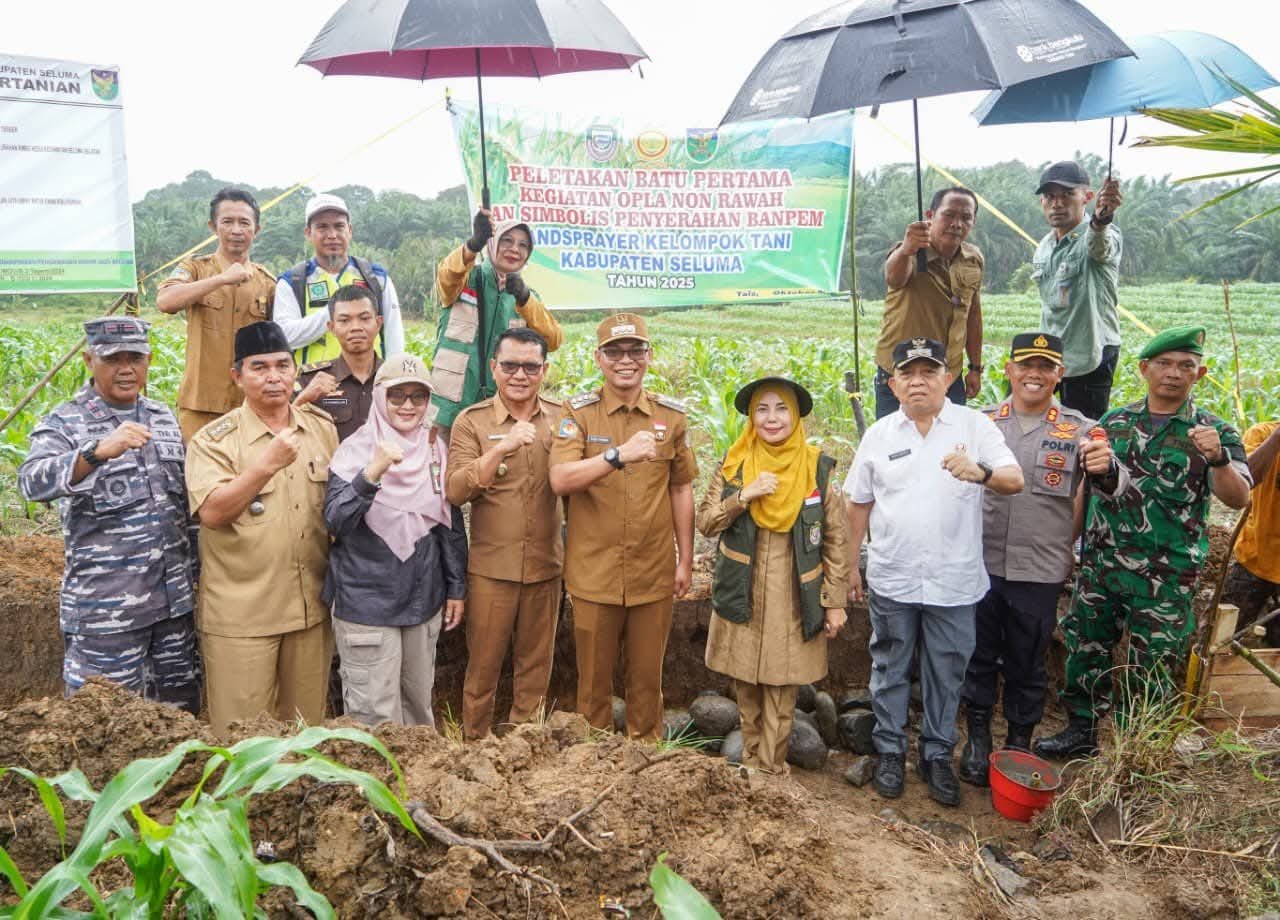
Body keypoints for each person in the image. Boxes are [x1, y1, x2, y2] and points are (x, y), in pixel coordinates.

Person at [1036, 326, 1252, 759]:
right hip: (1103, 565)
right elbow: (1085, 491)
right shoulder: (1113, 424)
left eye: (1185, 366)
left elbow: (1239, 496)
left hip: (1166, 575)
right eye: (1164, 364)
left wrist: (1218, 459)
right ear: (1144, 370)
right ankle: (1082, 730)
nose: (1173, 373)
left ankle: (1136, 748)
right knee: (1086, 648)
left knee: (1153, 661)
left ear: (1199, 374)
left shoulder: (1215, 432)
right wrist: (1065, 547)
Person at [845, 337, 1023, 806]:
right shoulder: (879, 434)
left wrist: (980, 472)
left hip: (954, 581)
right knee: (890, 666)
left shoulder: (975, 426)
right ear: (893, 384)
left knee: (946, 672)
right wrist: (847, 567)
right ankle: (889, 751)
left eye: (929, 372)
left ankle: (937, 754)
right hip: (894, 576)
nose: (918, 381)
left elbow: (1015, 480)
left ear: (948, 378)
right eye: (908, 373)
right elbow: (858, 504)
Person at [958, 333, 1127, 785]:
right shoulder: (979, 424)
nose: (1034, 374)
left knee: (1027, 660)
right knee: (978, 654)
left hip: (1040, 568)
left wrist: (1107, 467)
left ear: (1059, 374)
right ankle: (978, 739)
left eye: (1045, 367)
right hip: (980, 563)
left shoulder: (1082, 429)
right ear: (1009, 370)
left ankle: (1018, 741)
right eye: (1026, 365)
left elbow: (1114, 485)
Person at [18, 317, 200, 713]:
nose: (126, 368)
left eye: (135, 357)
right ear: (89, 360)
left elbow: (185, 510)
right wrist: (94, 452)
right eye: (113, 358)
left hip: (173, 610)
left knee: (179, 719)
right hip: (107, 616)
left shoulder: (162, 418)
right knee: (103, 722)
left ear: (149, 360)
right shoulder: (66, 421)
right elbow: (31, 482)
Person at [185, 321, 339, 736]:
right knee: (243, 739)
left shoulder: (321, 428)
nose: (274, 377)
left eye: (282, 365)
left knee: (305, 734)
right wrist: (266, 465)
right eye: (260, 367)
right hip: (243, 619)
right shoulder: (213, 442)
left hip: (309, 613)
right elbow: (213, 512)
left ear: (294, 372)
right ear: (237, 376)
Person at [549, 313, 697, 741]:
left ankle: (645, 760)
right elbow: (561, 479)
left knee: (647, 681)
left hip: (653, 572)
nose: (625, 360)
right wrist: (617, 456)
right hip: (595, 574)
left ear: (649, 356)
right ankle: (592, 761)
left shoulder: (671, 418)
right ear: (599, 358)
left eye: (635, 350)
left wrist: (685, 559)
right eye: (614, 352)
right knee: (593, 685)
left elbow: (681, 488)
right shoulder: (578, 413)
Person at [697, 377, 850, 773]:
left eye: (781, 408)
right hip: (743, 587)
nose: (772, 418)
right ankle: (750, 763)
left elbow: (836, 539)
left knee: (783, 685)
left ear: (796, 415)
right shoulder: (735, 463)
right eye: (762, 409)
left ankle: (771, 768)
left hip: (794, 593)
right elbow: (706, 522)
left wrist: (834, 602)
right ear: (751, 417)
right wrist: (742, 497)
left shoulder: (817, 467)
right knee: (745, 679)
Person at [324, 354, 467, 727]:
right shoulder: (355, 450)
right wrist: (372, 472)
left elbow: (448, 524)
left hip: (422, 600)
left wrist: (456, 587)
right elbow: (336, 520)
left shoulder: (434, 449)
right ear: (380, 397)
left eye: (418, 396)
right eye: (397, 395)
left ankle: (421, 770)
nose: (408, 405)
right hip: (367, 603)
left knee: (418, 709)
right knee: (375, 715)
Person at [446, 328, 564, 739]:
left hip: (546, 567)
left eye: (530, 367)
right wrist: (501, 448)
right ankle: (475, 745)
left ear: (544, 370)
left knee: (536, 668)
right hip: (491, 571)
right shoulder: (472, 421)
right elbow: (455, 490)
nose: (520, 375)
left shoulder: (562, 418)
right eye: (510, 365)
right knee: (483, 668)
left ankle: (524, 744)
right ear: (494, 368)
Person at [156, 187, 277, 443]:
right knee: (198, 468)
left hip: (251, 405)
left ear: (256, 230)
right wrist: (222, 279)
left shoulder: (267, 283)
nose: (236, 230)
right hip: (200, 405)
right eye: (227, 222)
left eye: (244, 223)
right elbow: (165, 301)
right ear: (213, 226)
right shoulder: (195, 268)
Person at [428, 209, 564, 432]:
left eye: (523, 245)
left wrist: (524, 297)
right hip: (447, 409)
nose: (514, 249)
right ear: (491, 243)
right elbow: (447, 274)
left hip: (498, 412)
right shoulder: (465, 278)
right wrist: (473, 244)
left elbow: (553, 340)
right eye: (507, 240)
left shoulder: (528, 298)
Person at [874, 187, 984, 419]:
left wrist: (975, 367)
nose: (957, 224)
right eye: (949, 215)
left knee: (951, 439)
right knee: (896, 440)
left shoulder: (973, 259)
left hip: (949, 374)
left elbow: (973, 315)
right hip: (902, 373)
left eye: (966, 217)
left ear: (973, 222)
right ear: (930, 215)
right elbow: (894, 278)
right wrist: (906, 250)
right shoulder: (909, 252)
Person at [1032, 161, 1124, 420]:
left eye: (1067, 194)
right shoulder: (1045, 245)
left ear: (1087, 197)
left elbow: (1099, 246)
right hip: (1050, 354)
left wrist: (1102, 218)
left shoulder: (1102, 234)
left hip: (1090, 356)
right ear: (1042, 201)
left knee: (1082, 432)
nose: (1057, 203)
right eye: (1050, 196)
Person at [274, 193, 405, 365]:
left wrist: (393, 377)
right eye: (322, 227)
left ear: (349, 230)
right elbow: (284, 337)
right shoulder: (292, 282)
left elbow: (394, 338)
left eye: (339, 226)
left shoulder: (376, 278)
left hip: (369, 380)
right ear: (308, 233)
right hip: (312, 379)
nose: (332, 235)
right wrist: (334, 311)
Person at [295, 284, 385, 441]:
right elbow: (281, 426)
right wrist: (304, 398)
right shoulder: (310, 380)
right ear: (331, 328)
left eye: (364, 318)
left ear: (378, 323)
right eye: (344, 320)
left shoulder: (394, 377)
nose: (355, 327)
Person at [1222, 420, 1280, 647]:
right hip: (1254, 560)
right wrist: (1277, 438)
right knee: (1217, 636)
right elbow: (1246, 480)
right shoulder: (1262, 434)